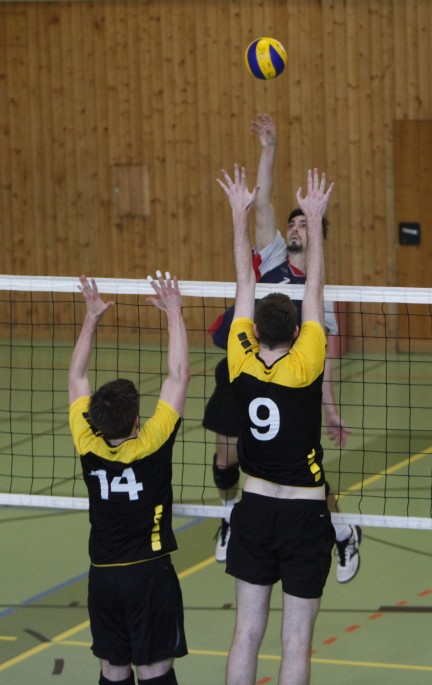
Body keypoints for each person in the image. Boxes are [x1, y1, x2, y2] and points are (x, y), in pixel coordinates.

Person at [203, 114, 361, 584]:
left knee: (297, 469)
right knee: (227, 458)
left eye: (304, 224)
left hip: (292, 388)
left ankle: (341, 529)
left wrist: (331, 411)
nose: (294, 228)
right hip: (245, 372)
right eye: (292, 224)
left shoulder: (319, 296)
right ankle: (229, 515)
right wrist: (268, 148)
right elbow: (265, 202)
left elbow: (321, 363)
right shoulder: (271, 255)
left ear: (316, 237)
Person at [218, 164, 335, 685]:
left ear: (254, 329)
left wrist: (238, 216)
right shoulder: (307, 362)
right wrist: (315, 220)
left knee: (246, 632)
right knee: (296, 639)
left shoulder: (239, 357)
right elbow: (315, 286)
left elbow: (245, 280)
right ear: (296, 330)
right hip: (303, 513)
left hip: (255, 506)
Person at [68, 272, 190, 685]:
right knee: (155, 671)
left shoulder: (88, 444)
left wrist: (91, 318)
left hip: (103, 575)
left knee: (112, 670)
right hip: (148, 575)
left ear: (96, 420)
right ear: (138, 420)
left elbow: (75, 379)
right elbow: (179, 375)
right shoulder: (152, 443)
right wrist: (173, 312)